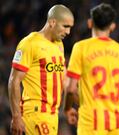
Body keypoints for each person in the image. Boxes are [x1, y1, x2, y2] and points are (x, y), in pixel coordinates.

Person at [64, 3, 119, 135]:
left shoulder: (81, 48)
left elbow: (71, 88)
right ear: (112, 26)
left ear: (90, 23)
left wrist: (67, 108)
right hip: (114, 122)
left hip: (91, 121)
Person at [8, 4, 74, 135]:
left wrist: (70, 105)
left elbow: (65, 80)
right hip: (36, 114)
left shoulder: (59, 45)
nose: (68, 32)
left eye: (70, 27)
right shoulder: (29, 43)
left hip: (53, 115)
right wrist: (16, 117)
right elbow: (13, 81)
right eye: (65, 26)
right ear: (52, 22)